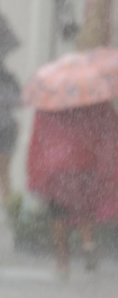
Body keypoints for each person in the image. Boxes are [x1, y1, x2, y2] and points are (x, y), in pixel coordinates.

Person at [26, 102, 118, 277]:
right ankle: (88, 243)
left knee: (58, 214)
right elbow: (109, 126)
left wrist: (37, 168)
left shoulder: (50, 100)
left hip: (56, 165)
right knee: (83, 206)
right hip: (84, 161)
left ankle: (62, 261)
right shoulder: (91, 99)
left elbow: (38, 137)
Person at [0, 61, 22, 211]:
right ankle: (8, 203)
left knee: (2, 169)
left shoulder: (9, 82)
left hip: (3, 129)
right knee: (1, 170)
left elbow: (19, 102)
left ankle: (8, 203)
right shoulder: (8, 82)